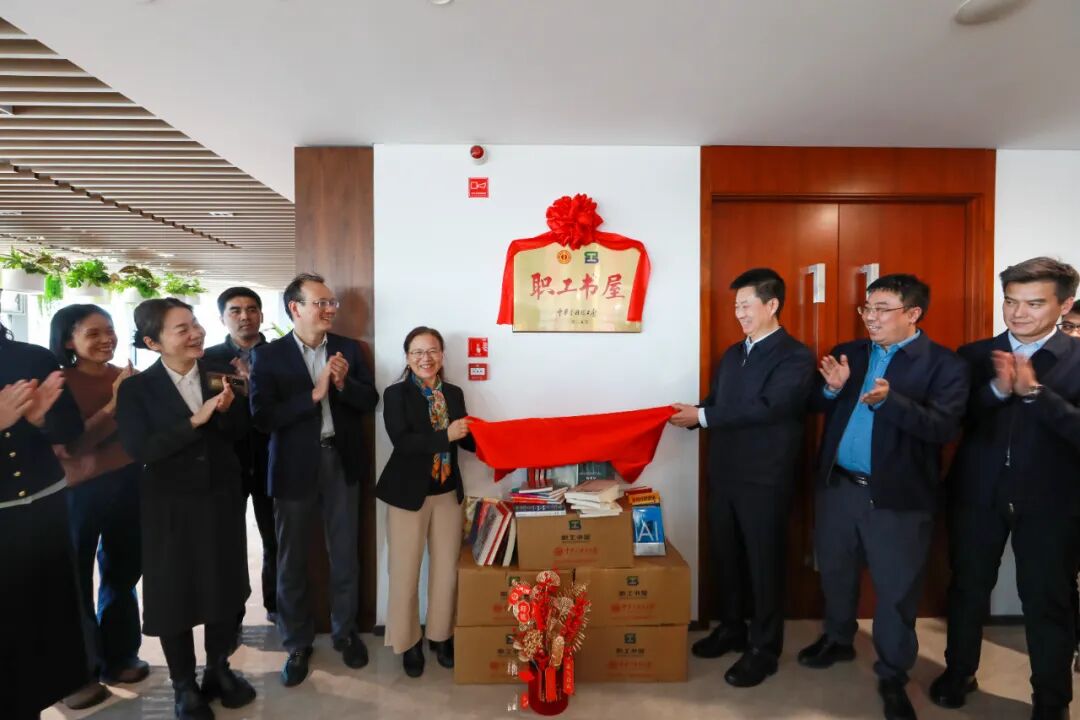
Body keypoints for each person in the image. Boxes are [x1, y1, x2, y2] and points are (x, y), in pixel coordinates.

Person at [798, 274, 969, 720]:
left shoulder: (944, 365)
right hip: (839, 487)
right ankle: (838, 639)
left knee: (895, 591)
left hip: (897, 499)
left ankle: (893, 674)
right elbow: (815, 403)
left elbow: (943, 428)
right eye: (867, 308)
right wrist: (833, 389)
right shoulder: (851, 353)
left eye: (882, 309)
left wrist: (890, 402)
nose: (870, 318)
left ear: (913, 313)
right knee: (836, 572)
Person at [931, 257, 1080, 720]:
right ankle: (960, 672)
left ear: (1065, 305)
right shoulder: (974, 355)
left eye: (1034, 304)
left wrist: (1035, 394)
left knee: (1048, 598)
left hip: (1052, 500)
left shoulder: (1077, 359)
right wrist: (996, 390)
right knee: (967, 588)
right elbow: (952, 420)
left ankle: (1051, 699)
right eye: (1011, 301)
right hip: (978, 493)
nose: (1018, 313)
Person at [669, 268, 814, 687]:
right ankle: (732, 629)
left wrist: (703, 416)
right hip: (725, 474)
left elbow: (770, 407)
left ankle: (764, 650)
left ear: (772, 304)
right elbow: (718, 402)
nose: (739, 314)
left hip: (765, 479)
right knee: (726, 558)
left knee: (764, 565)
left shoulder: (795, 356)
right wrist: (690, 415)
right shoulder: (733, 354)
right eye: (736, 307)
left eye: (746, 305)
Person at [116, 298, 255, 719]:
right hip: (169, 507)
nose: (196, 333)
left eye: (195, 324)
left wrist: (229, 410)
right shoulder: (137, 390)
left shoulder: (221, 374)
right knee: (174, 593)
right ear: (152, 342)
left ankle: (218, 669)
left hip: (220, 499)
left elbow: (239, 433)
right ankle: (183, 684)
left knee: (223, 586)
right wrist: (196, 420)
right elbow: (143, 449)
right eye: (182, 329)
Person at [249, 273, 379, 687]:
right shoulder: (268, 356)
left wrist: (342, 383)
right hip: (293, 467)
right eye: (320, 303)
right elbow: (262, 418)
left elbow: (369, 400)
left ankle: (345, 633)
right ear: (296, 308)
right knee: (291, 560)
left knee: (345, 554)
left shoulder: (347, 349)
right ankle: (296, 642)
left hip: (340, 460)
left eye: (331, 303)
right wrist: (314, 395)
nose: (329, 310)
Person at [0, 305, 99, 719]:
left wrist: (40, 421)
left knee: (47, 617)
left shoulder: (31, 357)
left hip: (43, 506)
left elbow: (69, 430)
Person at [48, 305, 148, 702]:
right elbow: (73, 446)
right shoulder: (58, 383)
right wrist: (114, 404)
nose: (106, 339)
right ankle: (77, 672)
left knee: (123, 574)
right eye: (93, 333)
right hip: (77, 491)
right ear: (69, 341)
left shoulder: (126, 376)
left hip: (128, 483)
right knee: (74, 581)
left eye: (109, 330)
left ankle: (120, 655)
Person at [377, 326, 475, 677]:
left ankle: (441, 636)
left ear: (442, 355)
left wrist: (492, 440)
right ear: (407, 357)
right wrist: (446, 434)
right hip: (407, 495)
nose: (426, 358)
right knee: (404, 572)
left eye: (432, 350)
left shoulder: (454, 392)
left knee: (447, 571)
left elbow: (466, 439)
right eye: (417, 352)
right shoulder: (395, 394)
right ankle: (408, 643)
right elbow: (403, 442)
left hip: (447, 493)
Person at [203, 287, 277, 625]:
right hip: (226, 462)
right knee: (228, 543)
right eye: (235, 310)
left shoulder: (280, 355)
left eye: (251, 309)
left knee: (274, 540)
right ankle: (232, 615)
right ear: (222, 318)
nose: (244, 316)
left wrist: (253, 384)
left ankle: (276, 606)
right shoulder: (208, 360)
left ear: (261, 314)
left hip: (271, 459)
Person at [1058, 305, 1080, 675]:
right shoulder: (1056, 371)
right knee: (1063, 576)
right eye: (1068, 326)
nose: (1073, 334)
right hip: (1062, 490)